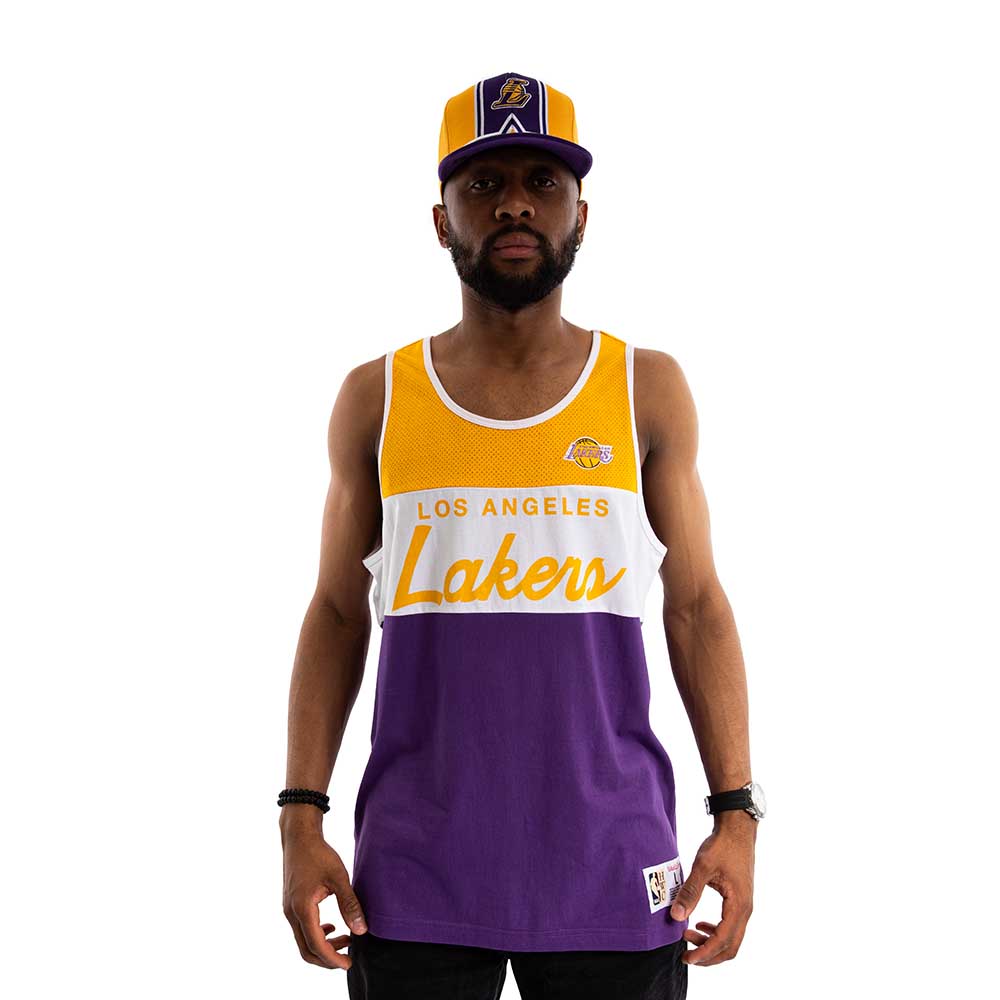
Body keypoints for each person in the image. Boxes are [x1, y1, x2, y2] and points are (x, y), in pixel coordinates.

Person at [279, 71, 764, 1000]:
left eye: (543, 182)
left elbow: (698, 608)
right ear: (441, 219)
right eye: (483, 184)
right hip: (413, 875)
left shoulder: (646, 389)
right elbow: (338, 613)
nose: (514, 205)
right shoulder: (377, 398)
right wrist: (299, 820)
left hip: (613, 863)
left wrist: (737, 816)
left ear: (582, 214)